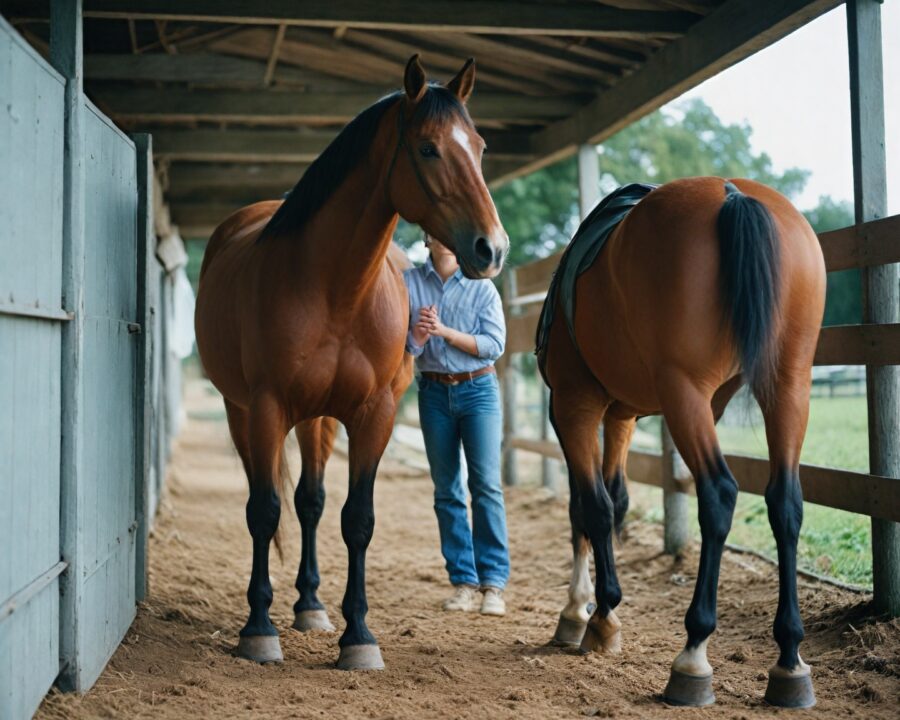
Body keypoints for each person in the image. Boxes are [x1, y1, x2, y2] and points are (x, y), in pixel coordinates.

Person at [404, 234, 510, 616]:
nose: (447, 239)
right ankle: (463, 583)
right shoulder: (409, 283)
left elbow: (494, 344)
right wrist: (417, 336)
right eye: (439, 233)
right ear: (428, 238)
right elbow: (404, 346)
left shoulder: (482, 286)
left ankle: (493, 584)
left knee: (485, 485)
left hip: (478, 389)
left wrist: (444, 331)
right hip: (433, 393)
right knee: (446, 490)